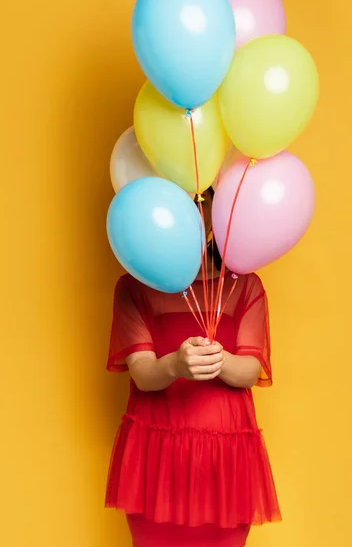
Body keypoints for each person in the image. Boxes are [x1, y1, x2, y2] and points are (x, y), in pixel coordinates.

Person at [105, 188, 281, 546]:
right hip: (157, 456)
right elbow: (142, 373)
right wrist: (175, 365)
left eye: (200, 200)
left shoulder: (244, 285)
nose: (190, 212)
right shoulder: (134, 287)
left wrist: (218, 359)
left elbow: (250, 371)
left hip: (226, 457)